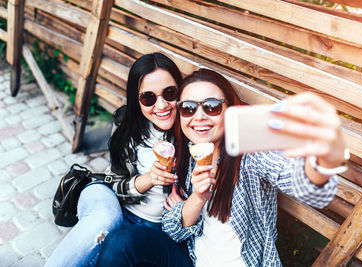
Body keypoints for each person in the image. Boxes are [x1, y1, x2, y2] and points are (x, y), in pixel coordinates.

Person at [96, 69, 346, 267]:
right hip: (193, 261)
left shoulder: (249, 155)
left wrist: (324, 156)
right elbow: (173, 228)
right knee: (122, 242)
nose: (199, 116)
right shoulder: (188, 156)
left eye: (212, 106)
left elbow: (306, 185)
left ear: (229, 111)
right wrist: (197, 198)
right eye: (189, 108)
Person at [45, 52, 183, 267]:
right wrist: (148, 179)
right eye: (148, 97)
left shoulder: (192, 130)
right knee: (105, 219)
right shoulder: (126, 122)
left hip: (151, 230)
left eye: (170, 92)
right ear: (137, 100)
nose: (162, 104)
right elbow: (113, 181)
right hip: (110, 203)